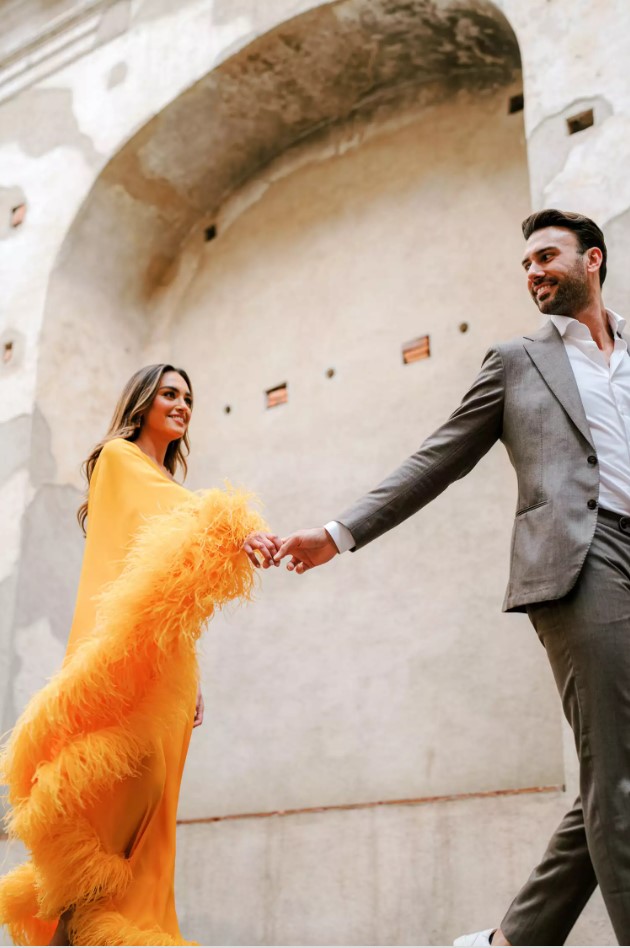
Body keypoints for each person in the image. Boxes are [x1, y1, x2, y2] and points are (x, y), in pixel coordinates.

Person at [275, 209, 630, 946]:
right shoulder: (515, 362)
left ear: (592, 260)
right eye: (525, 263)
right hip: (581, 561)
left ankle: (512, 941)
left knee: (613, 771)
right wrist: (338, 533)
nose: (532, 271)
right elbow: (437, 458)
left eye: (546, 257)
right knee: (619, 778)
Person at [0, 364, 279, 947]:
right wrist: (234, 531)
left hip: (168, 667)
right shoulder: (118, 459)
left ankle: (119, 930)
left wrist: (190, 674)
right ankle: (78, 932)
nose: (182, 405)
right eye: (170, 394)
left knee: (152, 813)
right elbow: (166, 531)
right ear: (142, 402)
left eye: (189, 398)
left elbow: (169, 589)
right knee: (109, 814)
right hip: (118, 663)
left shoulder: (164, 480)